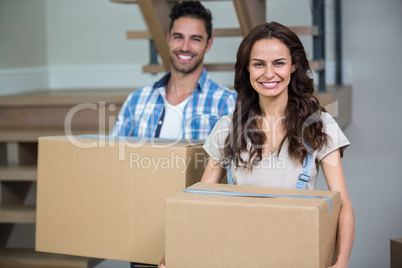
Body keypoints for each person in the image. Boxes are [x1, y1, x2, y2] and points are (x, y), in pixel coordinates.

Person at [200, 22, 355, 268]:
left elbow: (344, 204)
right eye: (259, 64)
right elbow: (199, 200)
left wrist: (341, 261)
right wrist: (171, 253)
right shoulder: (227, 128)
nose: (268, 73)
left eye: (279, 63)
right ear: (247, 69)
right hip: (236, 257)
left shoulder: (319, 125)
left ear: (294, 65)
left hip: (298, 257)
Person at [111, 1, 237, 141]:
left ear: (208, 44)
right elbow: (112, 157)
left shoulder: (225, 102)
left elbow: (234, 161)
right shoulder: (136, 100)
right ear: (168, 38)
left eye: (195, 39)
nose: (185, 47)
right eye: (178, 37)